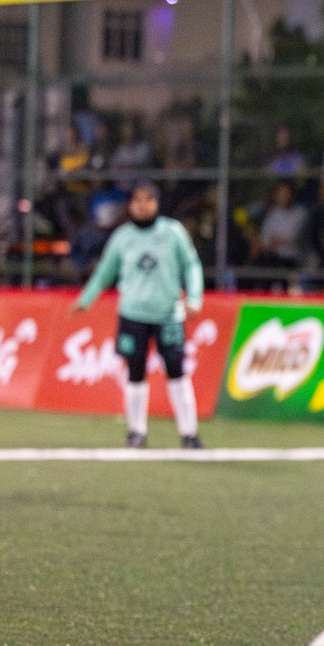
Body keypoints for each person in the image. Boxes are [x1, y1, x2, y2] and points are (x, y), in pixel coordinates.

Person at [72, 180, 205, 449]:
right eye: (137, 200)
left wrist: (194, 297)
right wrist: (85, 300)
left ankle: (189, 434)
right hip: (132, 315)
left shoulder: (173, 232)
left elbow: (191, 265)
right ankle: (136, 432)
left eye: (148, 200)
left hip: (169, 315)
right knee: (134, 372)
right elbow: (105, 272)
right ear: (130, 205)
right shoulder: (122, 237)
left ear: (157, 203)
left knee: (177, 371)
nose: (143, 206)